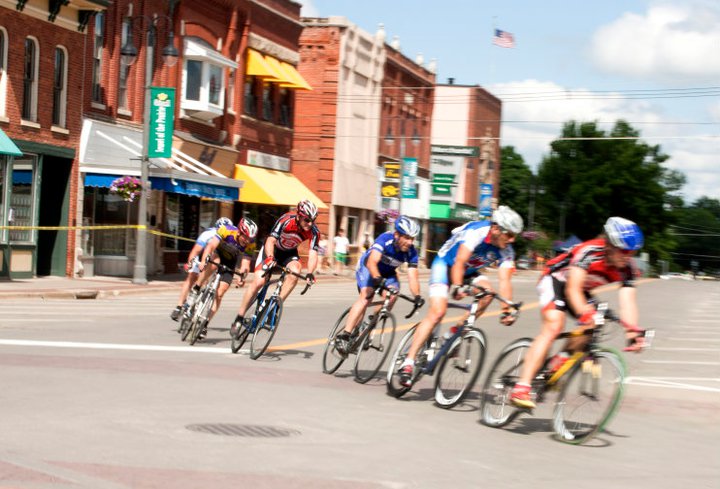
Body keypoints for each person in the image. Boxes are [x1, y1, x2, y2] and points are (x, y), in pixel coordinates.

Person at [509, 216, 648, 409]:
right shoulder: (590, 252)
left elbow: (628, 303)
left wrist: (632, 332)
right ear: (609, 244)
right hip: (556, 280)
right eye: (624, 250)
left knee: (594, 324)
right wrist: (585, 313)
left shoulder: (628, 269)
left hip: (581, 289)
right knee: (554, 326)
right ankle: (521, 386)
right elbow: (572, 289)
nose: (628, 256)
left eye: (633, 252)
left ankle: (558, 361)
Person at [397, 205, 524, 388]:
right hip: (445, 264)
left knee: (488, 293)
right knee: (438, 312)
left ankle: (454, 332)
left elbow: (504, 281)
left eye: (515, 236)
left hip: (468, 271)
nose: (512, 240)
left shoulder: (506, 250)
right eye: (509, 234)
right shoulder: (477, 232)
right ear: (496, 229)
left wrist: (507, 309)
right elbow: (459, 261)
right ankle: (408, 363)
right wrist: (457, 287)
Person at [334, 216, 423, 355]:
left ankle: (371, 323)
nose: (410, 242)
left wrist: (417, 296)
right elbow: (372, 262)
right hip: (368, 267)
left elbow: (413, 277)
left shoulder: (411, 252)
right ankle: (345, 335)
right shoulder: (385, 239)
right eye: (407, 237)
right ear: (397, 234)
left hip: (388, 273)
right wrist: (376, 278)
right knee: (366, 296)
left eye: (412, 238)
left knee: (393, 295)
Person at [231, 200, 320, 333]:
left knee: (296, 271)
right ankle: (239, 317)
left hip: (289, 253)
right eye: (307, 220)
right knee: (259, 282)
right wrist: (270, 257)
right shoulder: (286, 220)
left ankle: (274, 308)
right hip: (272, 250)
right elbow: (270, 240)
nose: (310, 223)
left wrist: (310, 273)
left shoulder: (314, 232)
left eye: (313, 220)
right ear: (299, 215)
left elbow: (313, 253)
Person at [193, 219, 257, 339]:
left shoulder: (250, 244)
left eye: (250, 239)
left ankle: (204, 324)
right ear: (239, 232)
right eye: (246, 237)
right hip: (217, 253)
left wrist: (242, 276)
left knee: (220, 293)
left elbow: (245, 264)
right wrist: (203, 260)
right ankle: (196, 288)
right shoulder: (226, 230)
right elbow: (211, 245)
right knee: (213, 263)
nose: (247, 241)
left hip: (230, 263)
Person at [170, 217, 233, 321]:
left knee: (206, 279)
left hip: (215, 261)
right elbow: (195, 251)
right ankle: (179, 306)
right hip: (201, 258)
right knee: (191, 277)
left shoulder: (230, 237)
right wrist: (190, 264)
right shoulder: (208, 234)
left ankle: (197, 304)